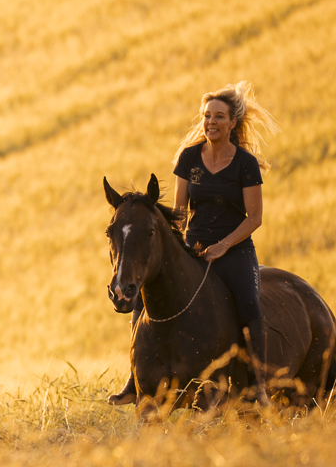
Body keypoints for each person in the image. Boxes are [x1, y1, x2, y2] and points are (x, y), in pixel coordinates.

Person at [110, 82, 281, 404]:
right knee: (142, 299)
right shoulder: (189, 158)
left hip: (235, 248)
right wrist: (179, 245)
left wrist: (224, 245)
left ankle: (257, 384)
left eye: (219, 116)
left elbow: (254, 217)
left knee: (249, 303)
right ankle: (134, 381)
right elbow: (179, 212)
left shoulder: (244, 163)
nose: (211, 122)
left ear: (233, 123)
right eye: (207, 116)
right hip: (195, 246)